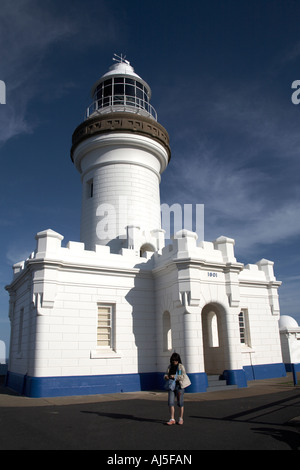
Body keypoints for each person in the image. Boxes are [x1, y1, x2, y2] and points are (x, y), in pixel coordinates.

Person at [164, 352, 190, 425]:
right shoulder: (170, 366)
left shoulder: (181, 367)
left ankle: (181, 418)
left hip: (179, 386)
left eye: (176, 360)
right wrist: (166, 377)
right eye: (173, 360)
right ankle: (172, 418)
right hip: (171, 386)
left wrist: (174, 377)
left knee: (180, 402)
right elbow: (166, 374)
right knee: (170, 402)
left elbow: (183, 376)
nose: (174, 362)